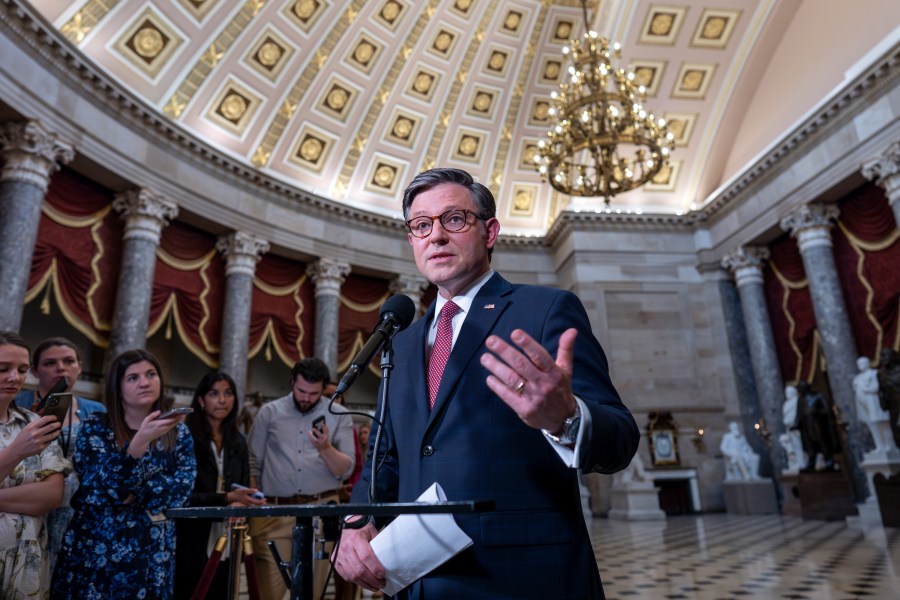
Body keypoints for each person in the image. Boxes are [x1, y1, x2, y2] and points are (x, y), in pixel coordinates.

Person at [333, 168, 639, 599]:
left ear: (490, 231)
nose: (435, 236)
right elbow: (386, 456)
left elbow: (621, 439)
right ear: (412, 241)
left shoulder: (546, 310)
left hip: (524, 578)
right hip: (417, 582)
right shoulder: (400, 343)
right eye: (421, 225)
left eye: (453, 219)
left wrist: (565, 419)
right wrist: (356, 520)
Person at [51, 349, 196, 599]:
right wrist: (139, 444)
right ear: (117, 388)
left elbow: (181, 492)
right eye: (133, 377)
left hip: (154, 549)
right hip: (98, 548)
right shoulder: (95, 428)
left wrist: (132, 492)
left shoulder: (179, 433)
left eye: (151, 374)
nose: (145, 382)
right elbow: (103, 488)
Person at [247, 357, 356, 600]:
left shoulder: (339, 415)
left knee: (311, 593)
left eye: (313, 393)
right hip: (274, 511)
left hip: (320, 512)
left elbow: (346, 469)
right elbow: (253, 461)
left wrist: (325, 447)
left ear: (324, 389)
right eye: (301, 391)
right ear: (292, 383)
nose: (306, 398)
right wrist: (254, 505)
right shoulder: (269, 412)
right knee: (269, 593)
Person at [14, 337, 106, 571]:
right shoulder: (17, 405)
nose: (61, 368)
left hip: (79, 509)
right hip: (28, 503)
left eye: (68, 361)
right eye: (49, 363)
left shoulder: (96, 411)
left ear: (79, 366)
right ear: (34, 371)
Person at [174, 372, 265, 600]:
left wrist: (244, 502)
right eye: (214, 394)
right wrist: (227, 499)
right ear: (201, 400)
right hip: (190, 536)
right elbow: (181, 496)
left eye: (228, 394)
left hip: (228, 537)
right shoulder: (185, 436)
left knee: (222, 592)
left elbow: (243, 485)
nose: (222, 400)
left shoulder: (238, 441)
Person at [0, 331, 68, 598]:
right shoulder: (29, 435)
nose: (15, 378)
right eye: (3, 368)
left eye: (22, 369)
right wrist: (17, 450)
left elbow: (51, 496)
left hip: (26, 563)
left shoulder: (35, 424)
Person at [793, 380, 841, 471]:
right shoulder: (801, 399)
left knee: (822, 441)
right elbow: (799, 413)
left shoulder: (817, 396)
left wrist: (816, 412)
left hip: (817, 423)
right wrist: (796, 424)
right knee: (809, 444)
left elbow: (826, 409)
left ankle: (829, 460)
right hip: (806, 425)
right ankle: (812, 461)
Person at [853, 356, 896, 454]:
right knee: (873, 426)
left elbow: (877, 387)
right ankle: (879, 445)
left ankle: (890, 445)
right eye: (859, 364)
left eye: (863, 363)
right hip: (864, 407)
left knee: (883, 425)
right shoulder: (858, 378)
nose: (861, 366)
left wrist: (867, 389)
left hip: (875, 404)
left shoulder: (874, 374)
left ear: (868, 363)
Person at [779, 385, 806, 472]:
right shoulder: (786, 404)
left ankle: (801, 463)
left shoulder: (797, 401)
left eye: (789, 392)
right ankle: (795, 463)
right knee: (790, 444)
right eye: (787, 392)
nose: (788, 394)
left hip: (796, 427)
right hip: (788, 427)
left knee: (798, 445)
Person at [878, 348, 900, 448]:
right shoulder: (881, 374)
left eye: (885, 356)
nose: (882, 359)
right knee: (898, 437)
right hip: (894, 409)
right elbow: (882, 392)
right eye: (881, 356)